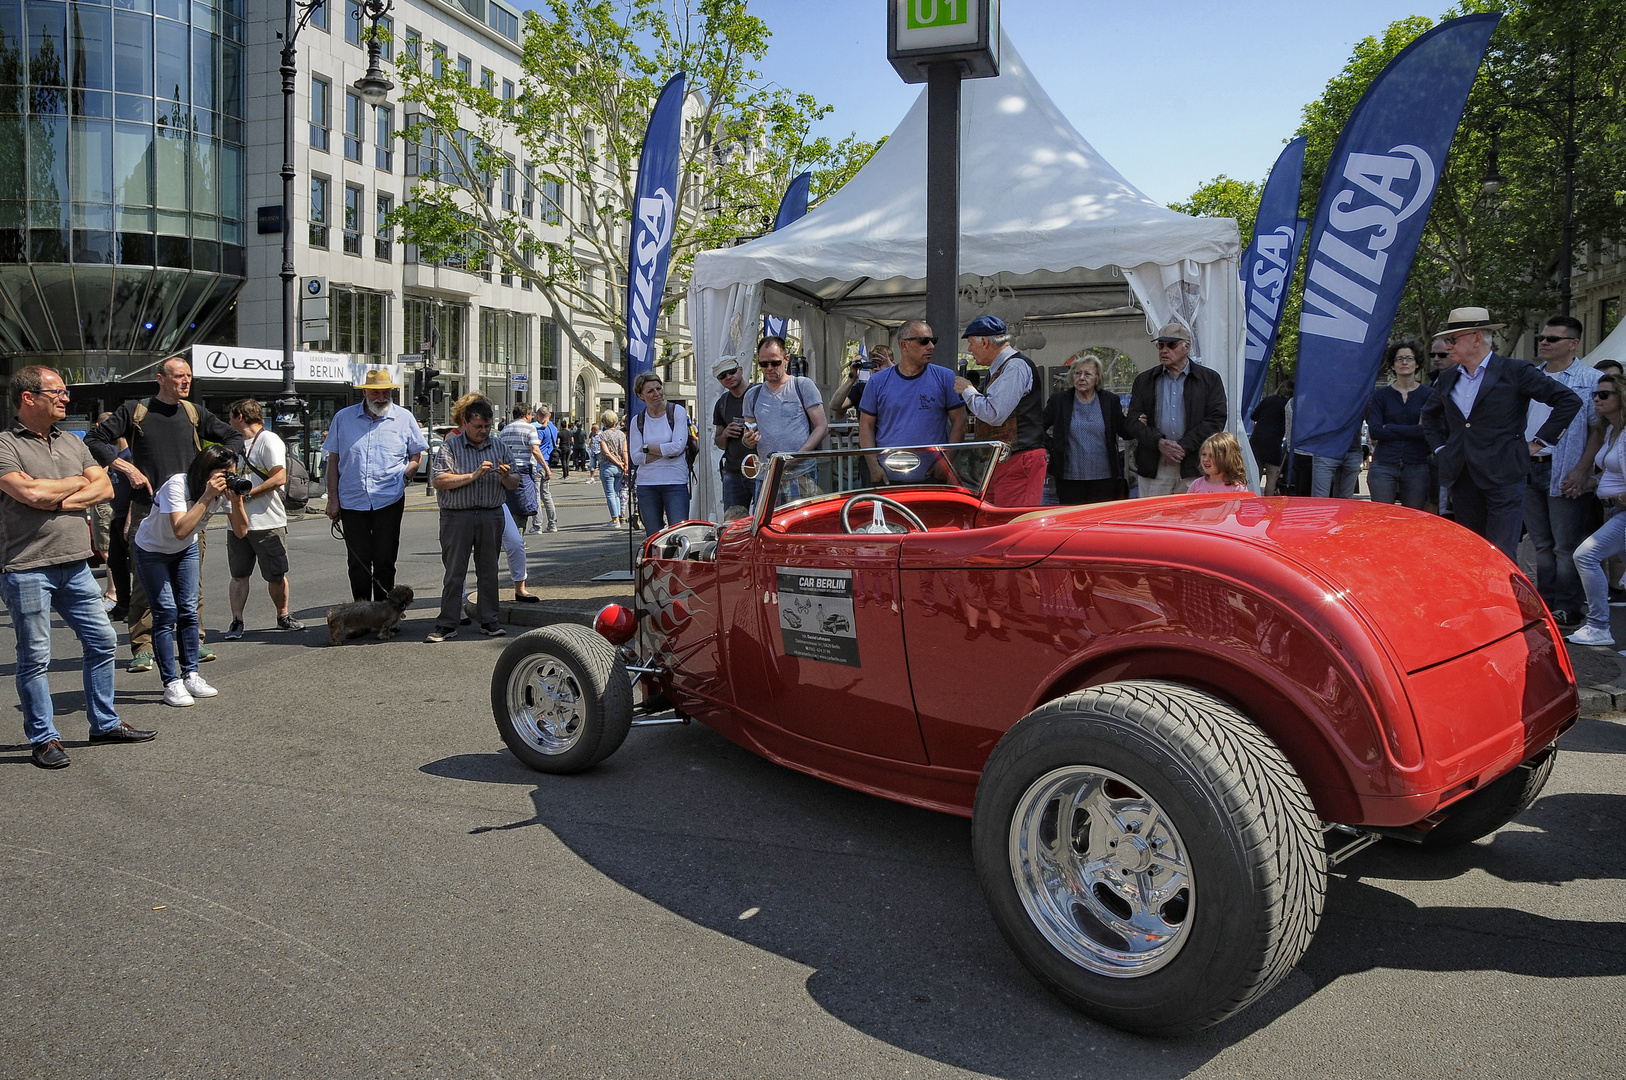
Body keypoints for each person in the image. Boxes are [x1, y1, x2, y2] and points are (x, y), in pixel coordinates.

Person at [0, 366, 153, 769]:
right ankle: (44, 738)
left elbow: (103, 486)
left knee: (103, 642)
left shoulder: (73, 440)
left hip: (77, 565)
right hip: (26, 566)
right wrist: (74, 484)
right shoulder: (4, 444)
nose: (66, 398)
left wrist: (56, 497)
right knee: (35, 657)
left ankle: (103, 722)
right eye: (58, 392)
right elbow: (27, 491)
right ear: (28, 397)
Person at [86, 354, 243, 673]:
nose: (186, 381)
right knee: (145, 583)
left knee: (190, 582)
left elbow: (233, 436)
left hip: (191, 506)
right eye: (178, 377)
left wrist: (228, 465)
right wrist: (123, 465)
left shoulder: (193, 412)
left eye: (188, 377)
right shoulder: (135, 410)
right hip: (147, 508)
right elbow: (95, 439)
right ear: (161, 378)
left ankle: (193, 641)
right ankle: (142, 647)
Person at [1420, 306, 1582, 560]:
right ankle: (1478, 599)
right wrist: (1441, 448)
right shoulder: (1448, 377)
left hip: (1505, 474)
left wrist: (1540, 442)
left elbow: (1568, 400)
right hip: (1462, 475)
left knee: (1501, 553)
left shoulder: (1515, 370)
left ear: (1476, 338)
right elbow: (1429, 415)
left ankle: (1503, 599)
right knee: (1471, 551)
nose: (1446, 346)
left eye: (1452, 339)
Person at [132, 444, 249, 706]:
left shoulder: (220, 493)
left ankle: (191, 674)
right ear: (204, 471)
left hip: (186, 550)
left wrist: (237, 501)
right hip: (152, 550)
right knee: (165, 613)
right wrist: (206, 497)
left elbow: (241, 531)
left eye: (230, 474)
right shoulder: (178, 485)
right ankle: (171, 683)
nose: (226, 480)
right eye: (222, 474)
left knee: (188, 610)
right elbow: (180, 529)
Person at [322, 369, 428, 602]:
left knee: (385, 559)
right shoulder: (343, 418)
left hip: (389, 499)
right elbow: (333, 461)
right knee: (357, 560)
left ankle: (384, 611)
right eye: (376, 392)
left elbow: (416, 455)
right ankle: (361, 612)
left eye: (385, 392)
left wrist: (405, 478)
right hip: (352, 499)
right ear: (366, 392)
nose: (381, 397)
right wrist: (332, 499)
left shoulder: (404, 418)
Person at [1522, 315, 1600, 628]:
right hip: (1528, 467)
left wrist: (1583, 469)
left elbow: (1599, 428)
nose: (1544, 342)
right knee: (1541, 545)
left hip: (1565, 469)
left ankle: (1569, 608)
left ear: (1573, 343)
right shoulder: (1530, 377)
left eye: (1553, 338)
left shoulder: (1590, 379)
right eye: (1542, 336)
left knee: (1565, 547)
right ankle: (1546, 605)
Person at [427, 394, 519, 642]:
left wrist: (505, 477)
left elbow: (514, 482)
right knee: (455, 571)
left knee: (488, 570)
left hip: (490, 514)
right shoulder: (450, 447)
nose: (483, 431)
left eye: (487, 426)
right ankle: (447, 623)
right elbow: (439, 480)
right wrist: (473, 475)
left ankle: (489, 620)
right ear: (465, 423)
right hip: (458, 516)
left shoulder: (498, 445)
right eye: (478, 426)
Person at [221, 399, 303, 639]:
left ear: (239, 417)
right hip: (236, 521)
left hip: (268, 521)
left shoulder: (268, 440)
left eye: (230, 416)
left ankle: (283, 615)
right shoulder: (233, 443)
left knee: (275, 574)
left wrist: (248, 495)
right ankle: (236, 621)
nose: (228, 421)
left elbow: (279, 477)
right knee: (238, 575)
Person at [1123, 320, 1228, 497]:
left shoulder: (1209, 379)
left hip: (1194, 464)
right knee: (1154, 518)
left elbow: (1216, 419)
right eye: (1160, 345)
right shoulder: (1144, 381)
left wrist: (1182, 447)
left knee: (1194, 518)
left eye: (1171, 344)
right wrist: (1159, 443)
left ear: (1187, 347)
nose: (1164, 350)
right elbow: (1132, 422)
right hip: (1155, 465)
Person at [954, 315, 1047, 506]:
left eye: (971, 344)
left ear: (985, 342)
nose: (970, 350)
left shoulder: (1015, 367)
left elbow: (994, 414)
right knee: (997, 518)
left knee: (1014, 523)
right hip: (1006, 459)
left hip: (1019, 458)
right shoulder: (1000, 368)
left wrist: (968, 390)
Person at [858, 320, 966, 483]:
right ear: (904, 345)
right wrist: (873, 466)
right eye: (923, 341)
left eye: (933, 340)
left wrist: (946, 461)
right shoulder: (878, 381)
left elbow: (960, 420)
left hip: (932, 477)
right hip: (888, 477)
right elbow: (866, 425)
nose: (931, 346)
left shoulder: (945, 377)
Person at [1565, 374, 1626, 647]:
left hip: (1622, 512)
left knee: (1586, 555)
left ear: (1621, 397)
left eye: (1605, 395)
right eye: (1595, 395)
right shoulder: (1612, 430)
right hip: (1612, 510)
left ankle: (1598, 625)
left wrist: (1618, 499)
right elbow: (1611, 476)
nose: (1597, 400)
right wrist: (1586, 482)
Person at [742, 336, 829, 504]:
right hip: (767, 476)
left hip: (801, 474)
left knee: (802, 527)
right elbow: (749, 434)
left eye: (775, 363)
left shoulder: (802, 385)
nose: (769, 368)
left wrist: (795, 457)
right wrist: (747, 440)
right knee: (767, 528)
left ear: (786, 359)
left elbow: (822, 427)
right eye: (763, 364)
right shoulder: (752, 395)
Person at [1042, 354, 1129, 505]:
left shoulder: (1109, 401)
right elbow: (1038, 427)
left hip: (1104, 478)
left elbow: (1125, 431)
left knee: (1100, 521)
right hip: (1069, 478)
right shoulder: (1060, 401)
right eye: (1077, 373)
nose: (1082, 378)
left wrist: (1138, 422)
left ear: (1097, 378)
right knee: (1073, 521)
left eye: (1088, 374)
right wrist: (1053, 446)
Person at [1366, 341, 1434, 510]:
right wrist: (1413, 430)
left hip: (1416, 466)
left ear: (1417, 363)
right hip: (1384, 465)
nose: (1404, 362)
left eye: (1409, 358)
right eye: (1399, 359)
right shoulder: (1381, 396)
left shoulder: (1429, 395)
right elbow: (1374, 432)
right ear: (1393, 365)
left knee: (1413, 517)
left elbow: (1426, 431)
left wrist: (1389, 427)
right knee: (1383, 516)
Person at [629, 373, 692, 534]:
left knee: (678, 532)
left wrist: (647, 447)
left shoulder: (677, 411)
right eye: (650, 391)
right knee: (653, 535)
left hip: (675, 481)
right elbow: (636, 458)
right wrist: (666, 450)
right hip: (647, 484)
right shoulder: (637, 420)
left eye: (658, 388)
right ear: (640, 395)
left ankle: (678, 560)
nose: (656, 394)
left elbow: (678, 447)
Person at [710, 355, 755, 517]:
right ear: (719, 380)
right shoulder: (722, 403)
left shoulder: (759, 394)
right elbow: (719, 443)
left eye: (731, 372)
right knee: (733, 524)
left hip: (761, 471)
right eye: (723, 376)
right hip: (733, 473)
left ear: (740, 370)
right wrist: (726, 434)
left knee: (764, 521)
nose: (729, 377)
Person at [498, 404, 544, 535]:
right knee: (524, 505)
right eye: (531, 415)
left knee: (510, 505)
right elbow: (535, 449)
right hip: (524, 470)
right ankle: (518, 538)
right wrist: (546, 467)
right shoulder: (530, 428)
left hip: (507, 470)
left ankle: (509, 537)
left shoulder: (505, 430)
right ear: (527, 415)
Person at [1249, 381, 1291, 496]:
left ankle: (1253, 500)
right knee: (1272, 477)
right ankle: (1268, 504)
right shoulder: (1289, 405)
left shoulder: (1268, 399)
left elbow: (1253, 416)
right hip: (1274, 442)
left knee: (1255, 474)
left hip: (1257, 439)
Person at [829, 344, 893, 419]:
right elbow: (834, 405)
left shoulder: (898, 387)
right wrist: (851, 379)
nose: (876, 369)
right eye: (873, 365)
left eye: (881, 364)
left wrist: (893, 372)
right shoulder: (862, 389)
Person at [598, 410, 629, 528]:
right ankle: (618, 517)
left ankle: (614, 519)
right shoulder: (621, 434)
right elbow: (624, 451)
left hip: (607, 466)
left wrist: (616, 462)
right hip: (619, 467)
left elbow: (606, 453)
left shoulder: (603, 435)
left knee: (610, 493)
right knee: (616, 493)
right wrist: (625, 464)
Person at [531, 405, 560, 533]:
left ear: (538, 416)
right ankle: (552, 523)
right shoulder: (553, 428)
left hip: (538, 464)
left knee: (536, 496)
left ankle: (537, 525)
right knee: (546, 495)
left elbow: (536, 447)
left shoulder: (540, 430)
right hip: (548, 463)